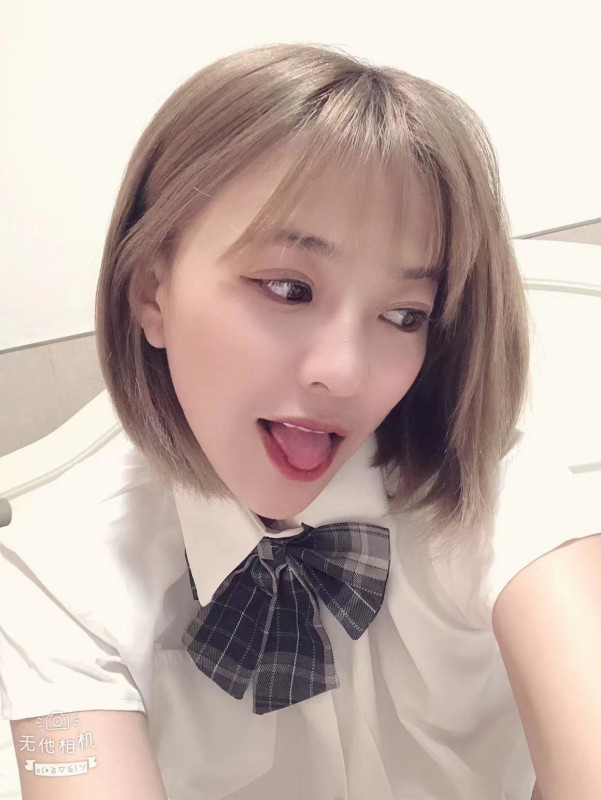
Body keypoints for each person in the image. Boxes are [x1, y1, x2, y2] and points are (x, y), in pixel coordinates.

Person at [1, 42, 600, 800]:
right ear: (152, 292)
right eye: (288, 288)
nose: (344, 373)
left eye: (404, 315)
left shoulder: (496, 492)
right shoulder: (57, 575)